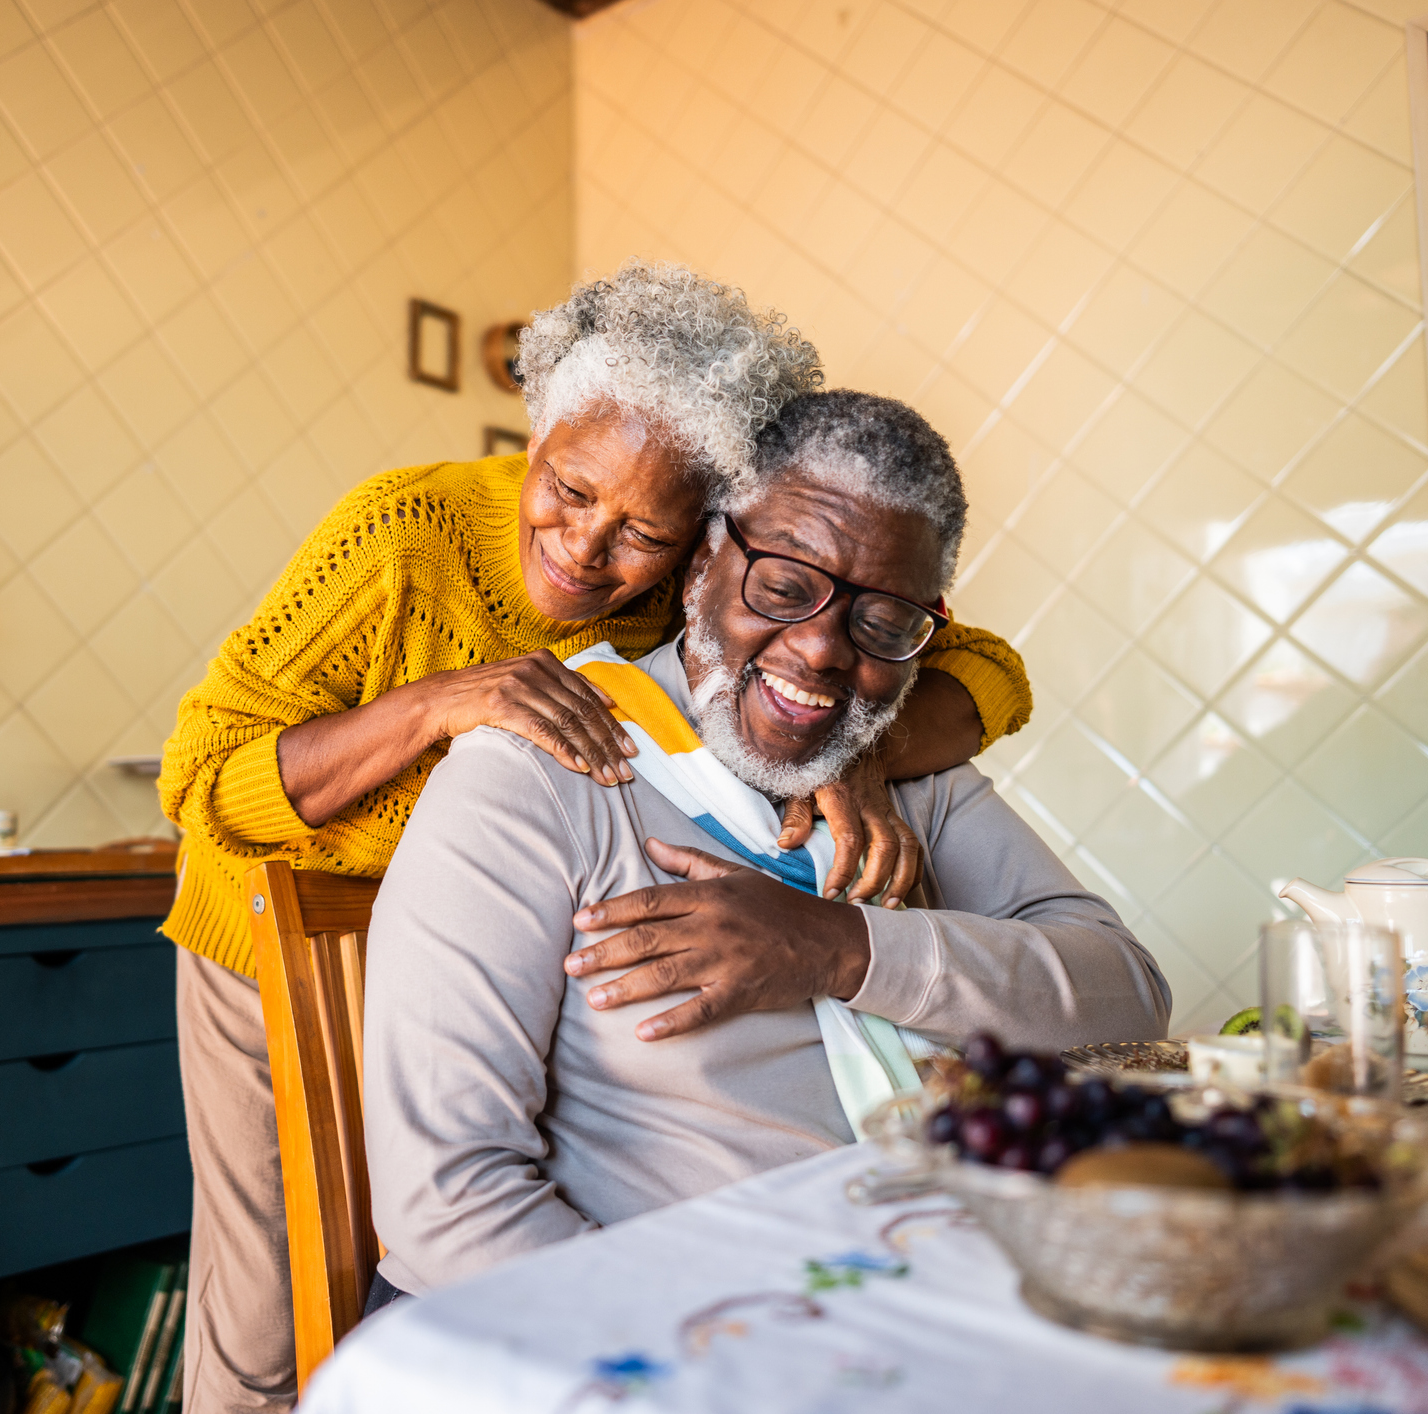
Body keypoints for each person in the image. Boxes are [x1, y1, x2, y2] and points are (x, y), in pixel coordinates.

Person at [157, 266, 1033, 1412]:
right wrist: (435, 704)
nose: (584, 547)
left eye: (642, 531)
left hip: (483, 947)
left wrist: (853, 748)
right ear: (538, 434)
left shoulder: (674, 597)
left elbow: (986, 673)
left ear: (701, 543)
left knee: (440, 1236)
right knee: (273, 1312)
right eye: (568, 488)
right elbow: (203, 782)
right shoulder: (401, 534)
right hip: (284, 935)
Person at [361, 390, 1170, 1299]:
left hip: (910, 1293)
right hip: (646, 1329)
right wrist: (724, 1350)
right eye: (782, 588)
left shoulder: (894, 767)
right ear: (702, 562)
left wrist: (836, 948)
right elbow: (447, 1203)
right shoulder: (535, 776)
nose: (822, 650)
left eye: (882, 622)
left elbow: (1126, 997)